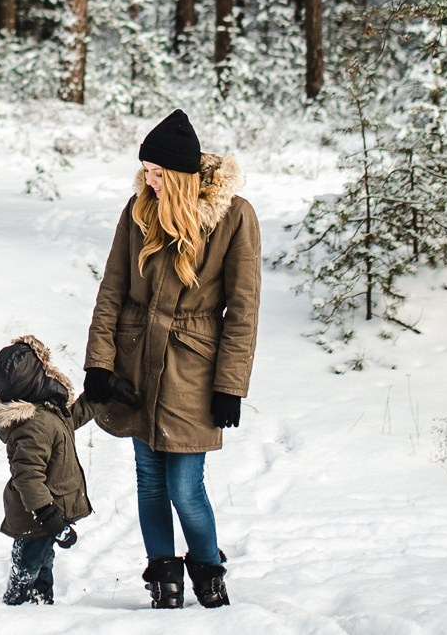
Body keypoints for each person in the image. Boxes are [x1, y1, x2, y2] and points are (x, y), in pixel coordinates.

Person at [84, 108, 260, 609]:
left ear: (182, 176)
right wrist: (99, 363)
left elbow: (244, 308)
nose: (149, 179)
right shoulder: (138, 210)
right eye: (146, 170)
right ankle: (163, 575)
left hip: (193, 367)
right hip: (137, 361)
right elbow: (111, 291)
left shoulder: (234, 216)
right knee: (148, 479)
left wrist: (231, 384)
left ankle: (206, 568)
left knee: (186, 488)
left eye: (159, 173)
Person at [0, 335, 102, 605]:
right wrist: (49, 516)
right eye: (45, 368)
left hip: (42, 515)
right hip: (36, 516)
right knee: (29, 565)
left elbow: (68, 420)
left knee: (43, 563)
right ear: (36, 379)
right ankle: (15, 606)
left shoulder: (44, 413)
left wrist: (99, 398)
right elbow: (28, 477)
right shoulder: (34, 425)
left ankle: (39, 605)